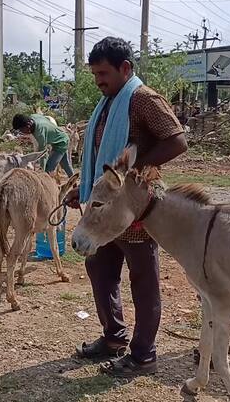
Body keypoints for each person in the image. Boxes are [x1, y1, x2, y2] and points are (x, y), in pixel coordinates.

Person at [65, 37, 187, 377]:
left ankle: (143, 355)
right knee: (100, 273)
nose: (98, 80)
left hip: (135, 213)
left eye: (103, 73)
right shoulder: (107, 104)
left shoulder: (142, 99)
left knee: (143, 282)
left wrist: (132, 173)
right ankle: (114, 337)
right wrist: (86, 188)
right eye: (94, 75)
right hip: (105, 212)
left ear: (125, 69)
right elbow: (100, 156)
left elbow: (177, 140)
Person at [12, 113, 74, 177]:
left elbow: (43, 155)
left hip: (61, 143)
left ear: (28, 125)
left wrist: (42, 173)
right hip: (62, 137)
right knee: (65, 165)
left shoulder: (40, 134)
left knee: (48, 170)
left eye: (21, 130)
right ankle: (75, 184)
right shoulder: (33, 116)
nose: (22, 133)